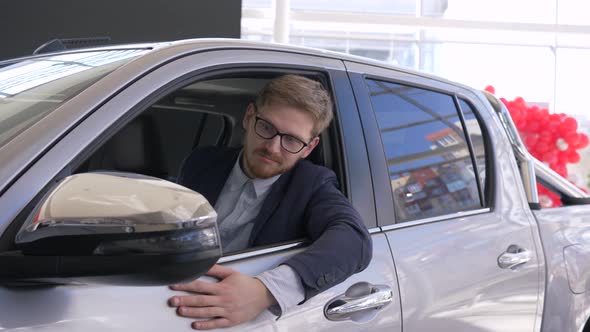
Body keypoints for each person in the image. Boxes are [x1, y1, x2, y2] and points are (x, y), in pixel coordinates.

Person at [168, 74, 372, 330]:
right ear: (249, 117)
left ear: (309, 148)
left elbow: (355, 241)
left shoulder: (312, 185)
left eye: (292, 140)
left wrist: (266, 291)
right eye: (266, 127)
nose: (273, 148)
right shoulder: (201, 162)